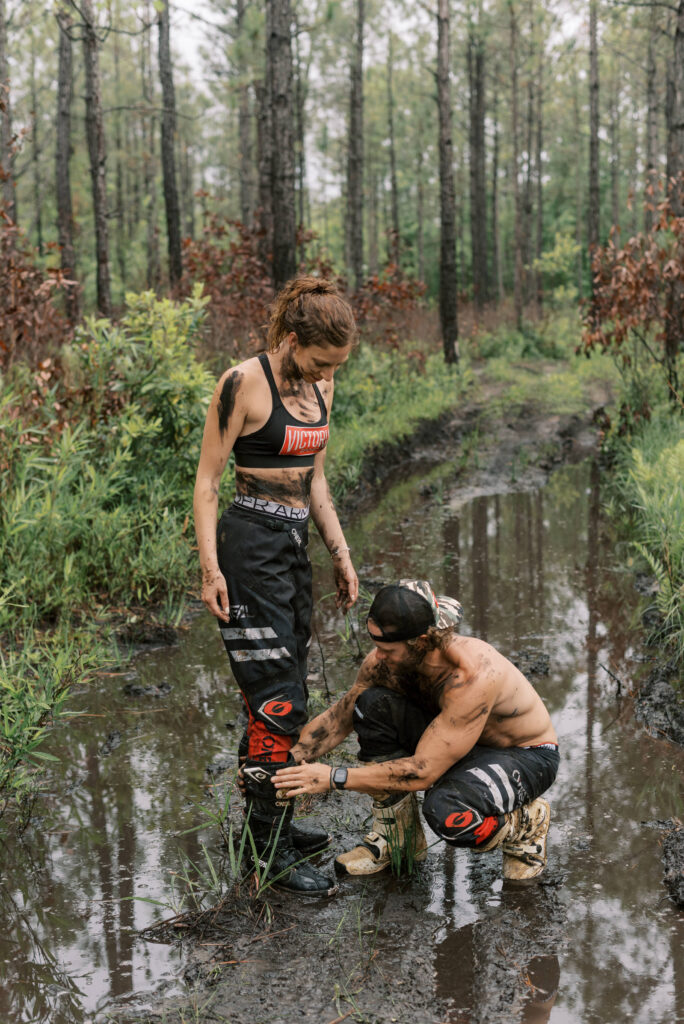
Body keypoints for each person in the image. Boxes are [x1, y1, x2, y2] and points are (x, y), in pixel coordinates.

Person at [193, 276, 359, 898]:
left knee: (281, 692)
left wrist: (340, 554)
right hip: (248, 546)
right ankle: (267, 858)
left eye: (337, 365)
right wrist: (211, 569)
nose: (327, 374)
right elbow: (208, 482)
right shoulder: (243, 383)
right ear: (293, 340)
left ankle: (273, 827)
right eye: (320, 361)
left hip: (292, 550)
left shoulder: (323, 384)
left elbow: (315, 480)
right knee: (278, 701)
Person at [272, 580, 559, 880]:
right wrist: (281, 765)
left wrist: (332, 777)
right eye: (376, 646)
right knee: (369, 704)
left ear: (421, 642)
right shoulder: (386, 662)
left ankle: (527, 824)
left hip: (525, 756)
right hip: (455, 742)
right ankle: (399, 838)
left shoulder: (472, 676)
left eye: (387, 649)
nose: (377, 656)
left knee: (447, 812)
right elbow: (336, 721)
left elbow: (423, 772)